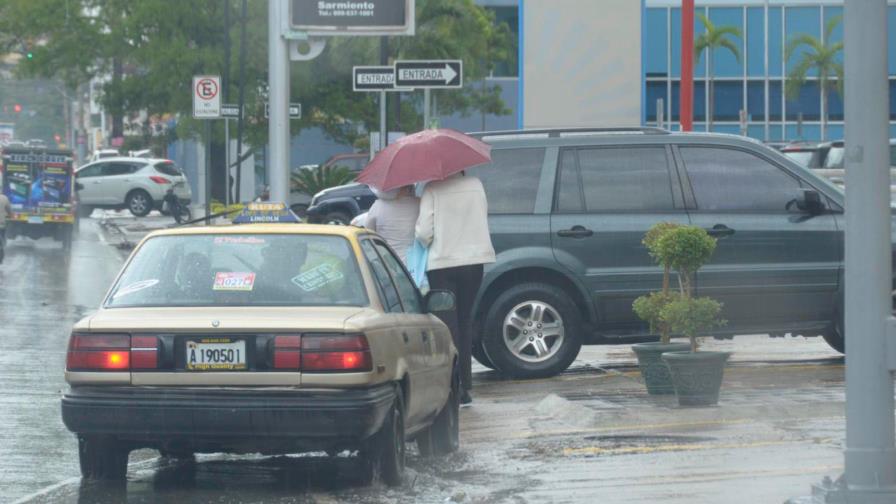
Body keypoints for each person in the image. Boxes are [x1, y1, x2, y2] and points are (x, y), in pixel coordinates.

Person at [415, 172, 495, 404]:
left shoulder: (432, 188)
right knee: (464, 322)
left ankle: (453, 385)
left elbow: (423, 233)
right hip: (474, 261)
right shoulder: (476, 184)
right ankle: (466, 385)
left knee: (447, 326)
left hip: (442, 263)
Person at [365, 186, 420, 265]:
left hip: (389, 262)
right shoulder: (418, 203)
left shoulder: (377, 206)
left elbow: (368, 233)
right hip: (417, 261)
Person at [0, 188, 11, 264]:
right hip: (1, 224)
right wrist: (10, 215)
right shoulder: (4, 198)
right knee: (1, 243)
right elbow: (9, 210)